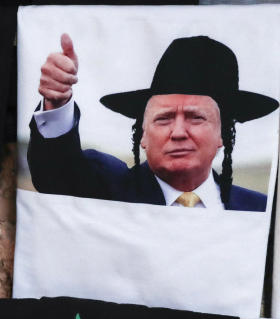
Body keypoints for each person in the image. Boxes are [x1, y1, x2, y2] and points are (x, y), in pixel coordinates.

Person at [28, 34, 279, 211]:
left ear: (223, 133)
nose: (178, 132)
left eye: (195, 118)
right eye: (164, 118)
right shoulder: (104, 190)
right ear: (143, 135)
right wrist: (56, 101)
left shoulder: (257, 211)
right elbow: (57, 173)